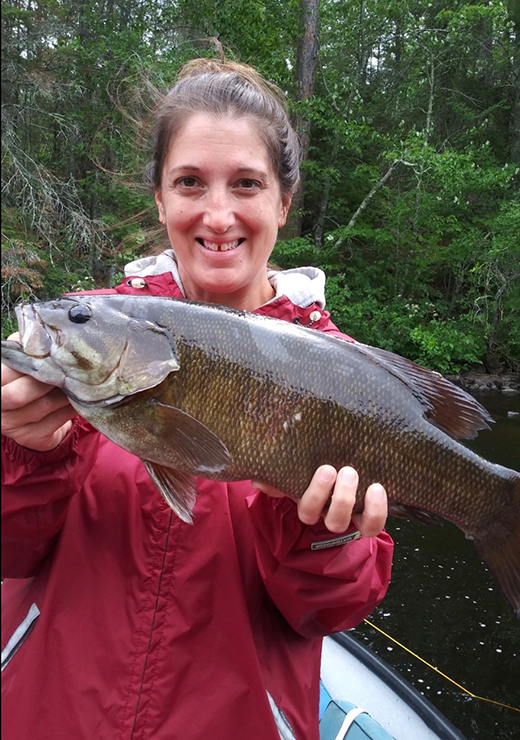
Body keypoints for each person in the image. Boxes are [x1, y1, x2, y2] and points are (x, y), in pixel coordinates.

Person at [1, 58, 393, 740]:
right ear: (159, 198)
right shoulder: (86, 343)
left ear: (283, 202)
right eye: (190, 183)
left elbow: (328, 611)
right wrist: (22, 456)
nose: (218, 214)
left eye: (246, 183)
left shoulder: (349, 377)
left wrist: (316, 535)